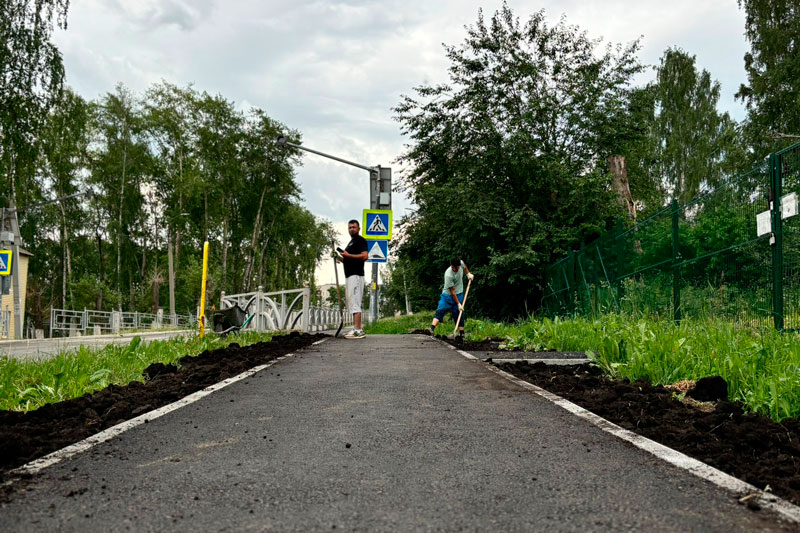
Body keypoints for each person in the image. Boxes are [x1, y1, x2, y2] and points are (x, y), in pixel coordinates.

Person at [336, 219, 368, 339]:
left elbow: (365, 256)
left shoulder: (360, 240)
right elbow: (348, 259)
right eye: (350, 227)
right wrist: (340, 258)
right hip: (349, 275)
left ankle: (358, 330)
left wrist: (348, 255)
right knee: (352, 302)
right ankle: (357, 328)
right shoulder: (351, 243)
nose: (352, 229)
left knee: (355, 301)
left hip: (356, 275)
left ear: (359, 228)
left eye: (354, 227)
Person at [430, 258, 473, 338]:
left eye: (455, 267)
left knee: (459, 313)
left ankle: (461, 333)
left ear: (459, 266)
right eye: (452, 267)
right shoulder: (448, 274)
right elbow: (452, 292)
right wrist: (458, 303)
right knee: (441, 309)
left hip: (459, 293)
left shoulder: (461, 263)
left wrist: (468, 274)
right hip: (447, 295)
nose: (454, 269)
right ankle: (432, 329)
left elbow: (465, 267)